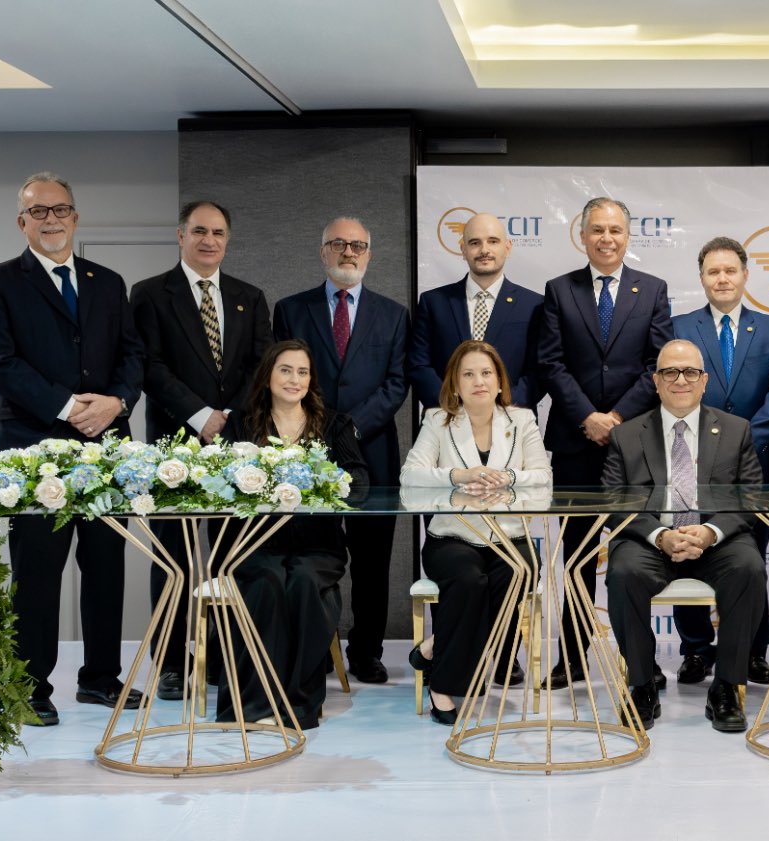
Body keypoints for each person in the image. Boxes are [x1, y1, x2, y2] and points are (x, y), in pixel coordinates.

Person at [0, 172, 145, 726]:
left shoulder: (107, 282)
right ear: (22, 222)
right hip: (34, 450)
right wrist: (70, 407)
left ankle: (100, 679)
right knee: (38, 574)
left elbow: (132, 355)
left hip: (107, 447)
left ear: (75, 217)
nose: (52, 220)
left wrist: (116, 402)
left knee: (106, 568)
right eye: (39, 211)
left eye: (60, 209)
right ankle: (31, 688)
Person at [130, 200, 272, 699]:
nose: (209, 240)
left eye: (218, 233)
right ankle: (171, 664)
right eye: (199, 231)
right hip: (175, 442)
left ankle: (223, 657)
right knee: (175, 559)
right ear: (180, 235)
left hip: (237, 440)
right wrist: (199, 414)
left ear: (228, 239)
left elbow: (261, 364)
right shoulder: (150, 294)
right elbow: (149, 367)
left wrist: (228, 415)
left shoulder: (249, 296)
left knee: (235, 555)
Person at [537, 197, 672, 690]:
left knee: (636, 553)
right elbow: (550, 362)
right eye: (597, 230)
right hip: (575, 443)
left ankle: (643, 661)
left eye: (615, 230)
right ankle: (572, 658)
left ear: (627, 236)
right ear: (583, 236)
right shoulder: (559, 289)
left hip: (636, 443)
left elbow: (657, 364)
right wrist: (588, 417)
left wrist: (616, 418)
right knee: (575, 555)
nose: (606, 238)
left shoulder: (652, 289)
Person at [602, 339, 767, 733]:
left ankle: (726, 687)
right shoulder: (627, 435)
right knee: (623, 572)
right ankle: (642, 685)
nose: (681, 380)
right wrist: (660, 535)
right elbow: (614, 501)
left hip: (716, 542)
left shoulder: (736, 430)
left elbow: (750, 498)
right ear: (656, 381)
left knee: (749, 567)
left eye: (690, 372)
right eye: (670, 372)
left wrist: (710, 532)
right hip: (650, 542)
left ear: (704, 380)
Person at [273, 217, 410, 685]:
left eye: (357, 245)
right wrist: (321, 429)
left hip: (374, 452)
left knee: (373, 560)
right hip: (304, 449)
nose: (348, 252)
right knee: (312, 555)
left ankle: (367, 651)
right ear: (322, 252)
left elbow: (396, 384)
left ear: (369, 253)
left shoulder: (393, 314)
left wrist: (346, 429)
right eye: (338, 244)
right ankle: (313, 650)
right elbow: (284, 377)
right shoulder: (291, 310)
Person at [215, 340, 369, 730]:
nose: (294, 379)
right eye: (285, 370)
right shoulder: (241, 424)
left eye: (303, 372)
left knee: (303, 583)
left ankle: (297, 705)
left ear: (311, 379)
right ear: (268, 375)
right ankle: (253, 705)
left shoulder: (334, 424)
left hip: (317, 546)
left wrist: (327, 486)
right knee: (266, 584)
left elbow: (359, 480)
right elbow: (222, 481)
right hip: (256, 544)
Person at [400, 340, 551, 724]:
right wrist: (457, 475)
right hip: (453, 537)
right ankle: (442, 688)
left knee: (518, 573)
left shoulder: (522, 420)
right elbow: (411, 475)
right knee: (469, 580)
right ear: (455, 383)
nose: (478, 381)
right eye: (468, 374)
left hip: (509, 538)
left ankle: (435, 648)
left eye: (486, 373)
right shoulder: (437, 420)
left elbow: (542, 476)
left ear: (500, 382)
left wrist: (508, 477)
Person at [670, 236, 769, 686]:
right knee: (687, 552)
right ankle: (696, 650)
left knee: (751, 561)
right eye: (713, 271)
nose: (722, 278)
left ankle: (751, 652)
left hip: (758, 465)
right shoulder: (679, 327)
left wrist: (739, 445)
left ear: (745, 275)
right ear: (702, 277)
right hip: (690, 462)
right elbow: (671, 391)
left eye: (730, 270)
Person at [409, 212, 544, 411]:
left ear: (507, 247)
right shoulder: (433, 302)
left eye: (493, 241)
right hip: (447, 419)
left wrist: (498, 408)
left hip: (511, 420)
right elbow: (419, 365)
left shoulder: (534, 305)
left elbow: (540, 371)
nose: (484, 250)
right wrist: (454, 406)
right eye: (474, 243)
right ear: (463, 250)